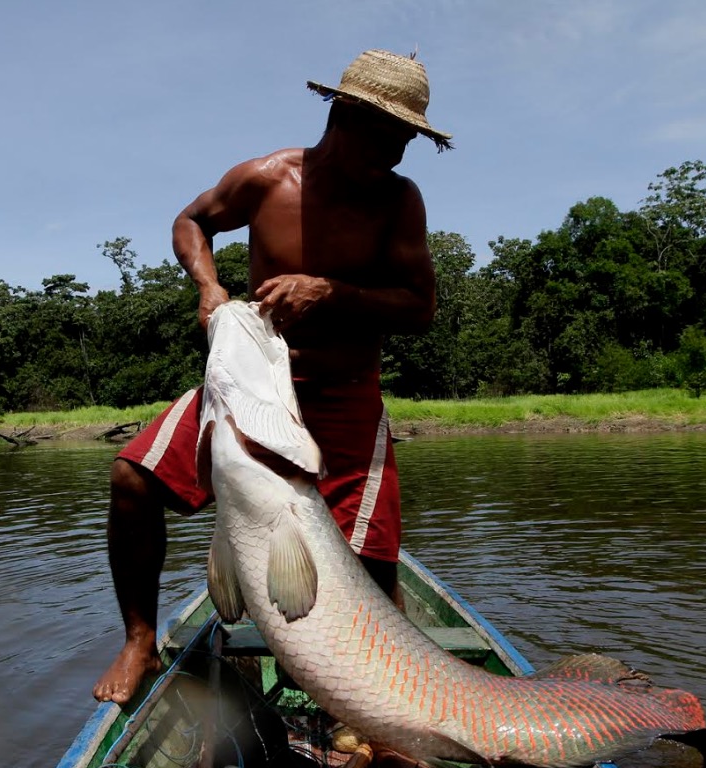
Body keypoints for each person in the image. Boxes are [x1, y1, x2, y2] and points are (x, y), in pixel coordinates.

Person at [93, 49, 452, 706]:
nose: (400, 152)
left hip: (344, 397)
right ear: (345, 113)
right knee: (131, 479)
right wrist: (208, 285)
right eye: (390, 132)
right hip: (255, 385)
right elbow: (191, 220)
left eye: (409, 138)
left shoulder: (399, 203)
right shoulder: (266, 179)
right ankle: (141, 639)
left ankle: (397, 718)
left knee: (370, 564)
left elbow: (420, 307)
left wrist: (332, 292)